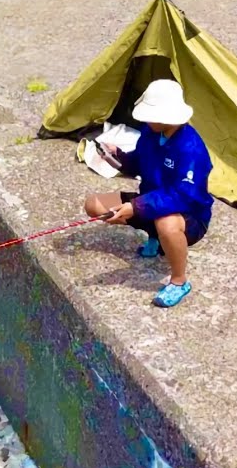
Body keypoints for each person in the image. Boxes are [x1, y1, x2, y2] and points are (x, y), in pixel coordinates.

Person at [83, 79, 214, 308]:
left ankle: (179, 280)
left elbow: (183, 196)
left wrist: (136, 207)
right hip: (149, 201)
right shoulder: (151, 132)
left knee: (167, 223)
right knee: (94, 205)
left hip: (188, 216)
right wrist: (119, 158)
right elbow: (140, 162)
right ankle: (154, 239)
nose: (145, 120)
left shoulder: (191, 149)